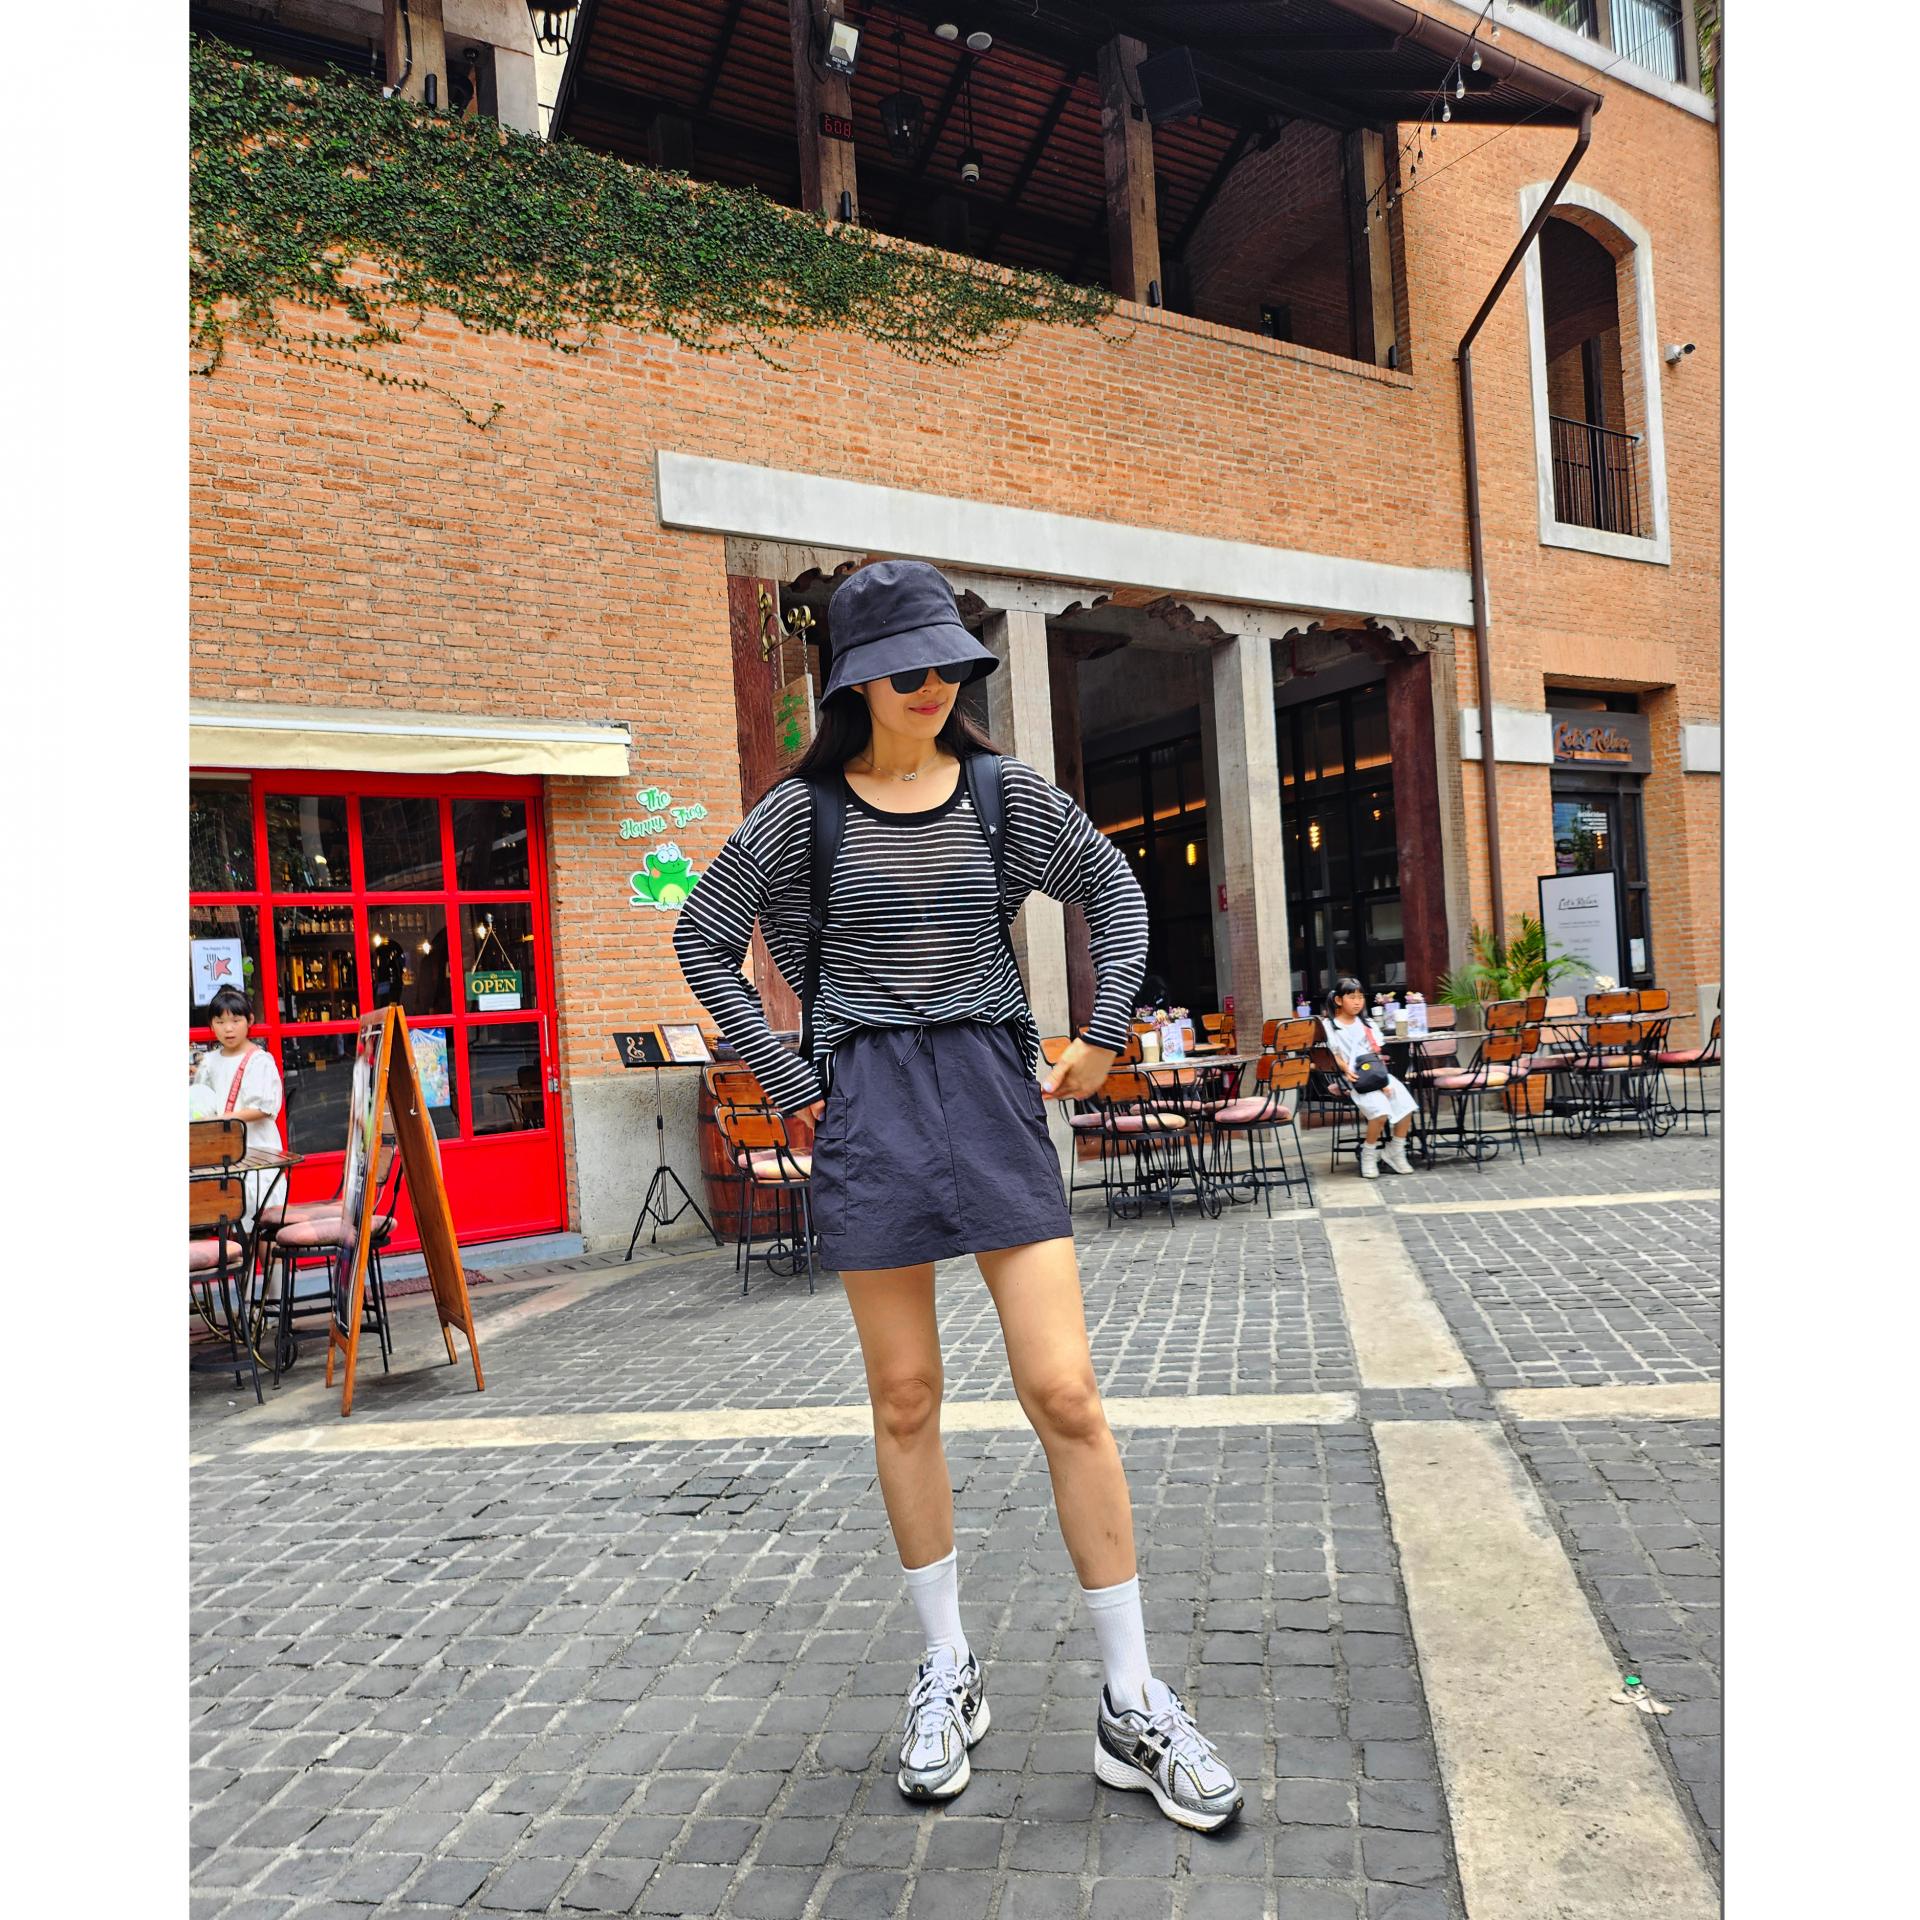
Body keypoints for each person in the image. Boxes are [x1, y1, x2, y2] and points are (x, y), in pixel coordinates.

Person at [674, 559, 1243, 1831]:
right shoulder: (800, 815)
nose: (933, 685)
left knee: (1065, 1391)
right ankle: (946, 1666)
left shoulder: (1001, 795)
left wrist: (1101, 1032)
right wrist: (789, 1076)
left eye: (949, 665)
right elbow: (702, 937)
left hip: (991, 1090)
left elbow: (1113, 888)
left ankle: (1132, 1699)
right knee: (906, 1396)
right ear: (856, 681)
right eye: (906, 669)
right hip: (869, 1103)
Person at [191, 985, 285, 1224]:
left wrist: (222, 1119)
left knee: (264, 1219)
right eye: (220, 1022)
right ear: (211, 1025)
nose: (228, 1028)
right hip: (224, 1152)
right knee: (231, 1220)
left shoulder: (259, 1061)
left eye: (235, 1020)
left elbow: (263, 1108)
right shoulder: (209, 1061)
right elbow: (203, 1099)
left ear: (249, 1020)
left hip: (258, 1149)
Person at [1322, 974, 1418, 1179]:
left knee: (1406, 1105)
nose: (1357, 1002)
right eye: (1351, 997)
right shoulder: (1330, 1026)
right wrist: (1345, 1069)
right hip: (1354, 1079)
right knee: (1379, 1113)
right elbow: (1334, 1054)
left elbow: (1376, 1054)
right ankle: (1369, 1153)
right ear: (1338, 1000)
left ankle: (1395, 1151)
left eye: (1360, 997)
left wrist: (1382, 1080)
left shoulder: (1368, 1024)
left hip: (1375, 1074)